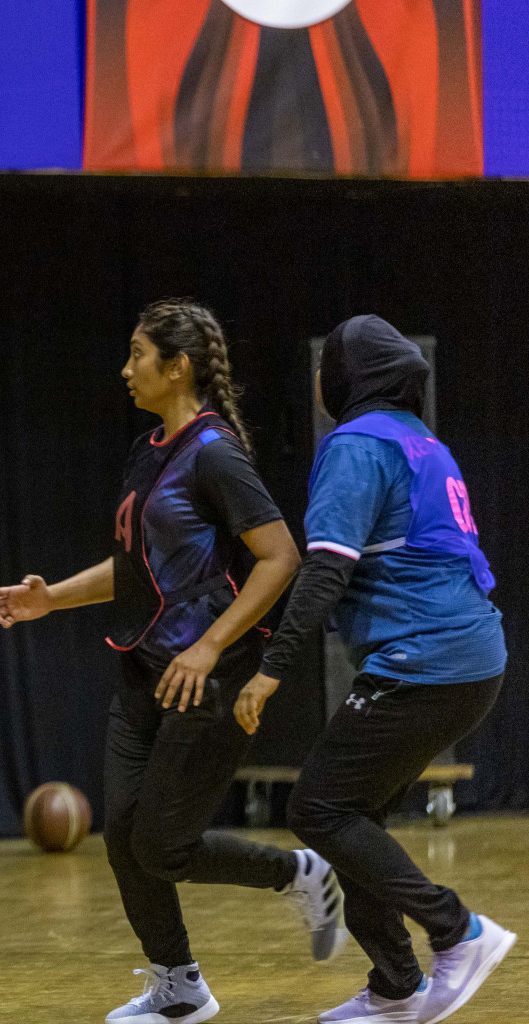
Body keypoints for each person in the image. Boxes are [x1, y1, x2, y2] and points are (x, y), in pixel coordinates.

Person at [0, 301, 342, 1024]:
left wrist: (210, 646)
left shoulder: (215, 454)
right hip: (143, 668)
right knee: (124, 837)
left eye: (137, 354)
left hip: (212, 676)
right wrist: (49, 599)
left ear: (176, 367)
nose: (126, 368)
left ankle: (300, 873)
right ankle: (179, 985)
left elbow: (281, 559)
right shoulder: (150, 449)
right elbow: (136, 569)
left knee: (160, 843)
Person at [234, 315, 515, 1024]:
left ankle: (459, 930)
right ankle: (395, 986)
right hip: (471, 656)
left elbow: (325, 570)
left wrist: (270, 669)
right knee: (355, 817)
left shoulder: (355, 445)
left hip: (425, 660)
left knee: (317, 808)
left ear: (345, 378)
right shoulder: (425, 444)